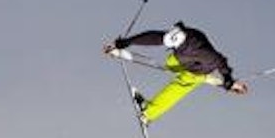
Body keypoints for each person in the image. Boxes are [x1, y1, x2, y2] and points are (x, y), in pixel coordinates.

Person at [104, 22, 249, 124]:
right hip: (182, 60)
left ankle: (148, 112)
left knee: (185, 82)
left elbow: (220, 61)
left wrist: (228, 79)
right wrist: (127, 42)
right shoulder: (178, 36)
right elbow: (153, 38)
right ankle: (218, 82)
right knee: (167, 63)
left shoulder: (204, 53)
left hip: (200, 68)